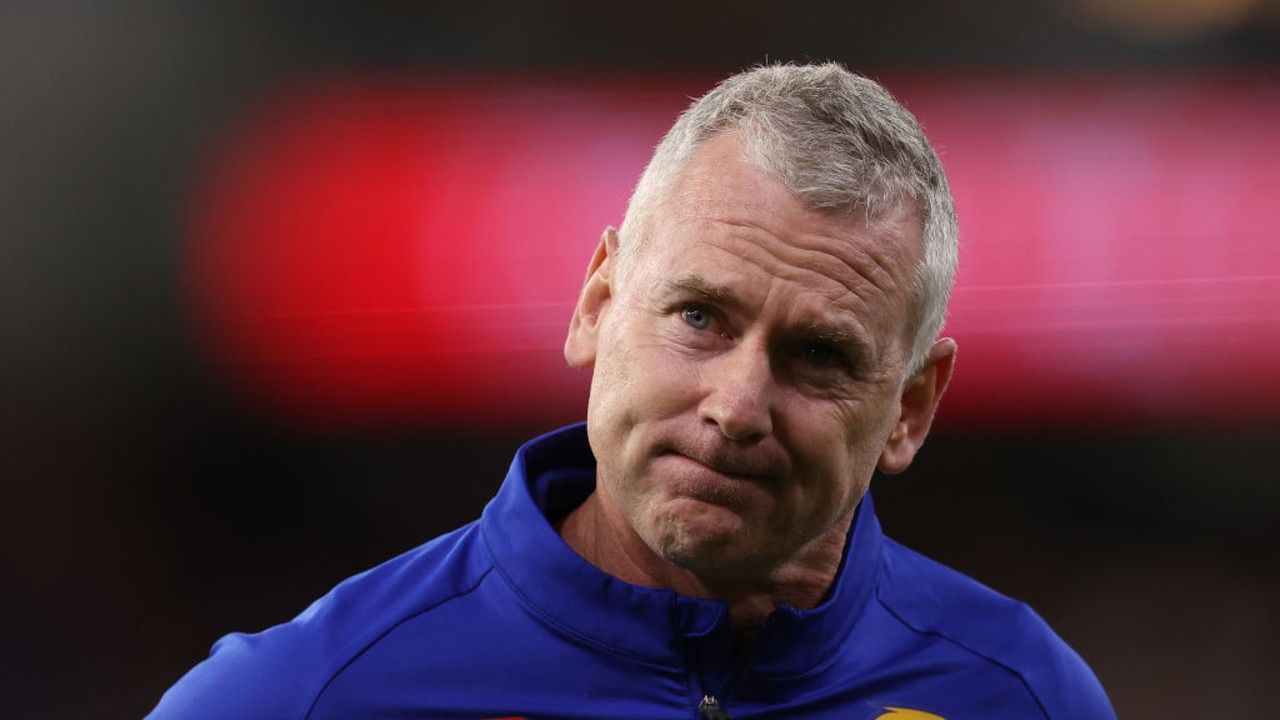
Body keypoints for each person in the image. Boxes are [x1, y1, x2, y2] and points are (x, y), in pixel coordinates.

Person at [148, 63, 1115, 719]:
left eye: (819, 355)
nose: (736, 409)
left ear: (911, 406)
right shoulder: (300, 697)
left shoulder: (1024, 696)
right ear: (598, 303)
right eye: (699, 316)